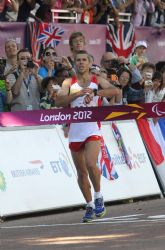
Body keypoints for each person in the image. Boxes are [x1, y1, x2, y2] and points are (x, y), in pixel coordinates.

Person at [55, 50, 121, 223]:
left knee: (92, 164)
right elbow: (58, 102)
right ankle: (90, 204)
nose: (81, 62)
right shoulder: (68, 82)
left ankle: (99, 196)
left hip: (92, 129)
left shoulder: (96, 80)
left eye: (84, 60)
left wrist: (95, 93)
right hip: (75, 131)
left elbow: (115, 91)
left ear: (90, 63)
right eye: (78, 60)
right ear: (75, 63)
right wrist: (76, 94)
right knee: (82, 173)